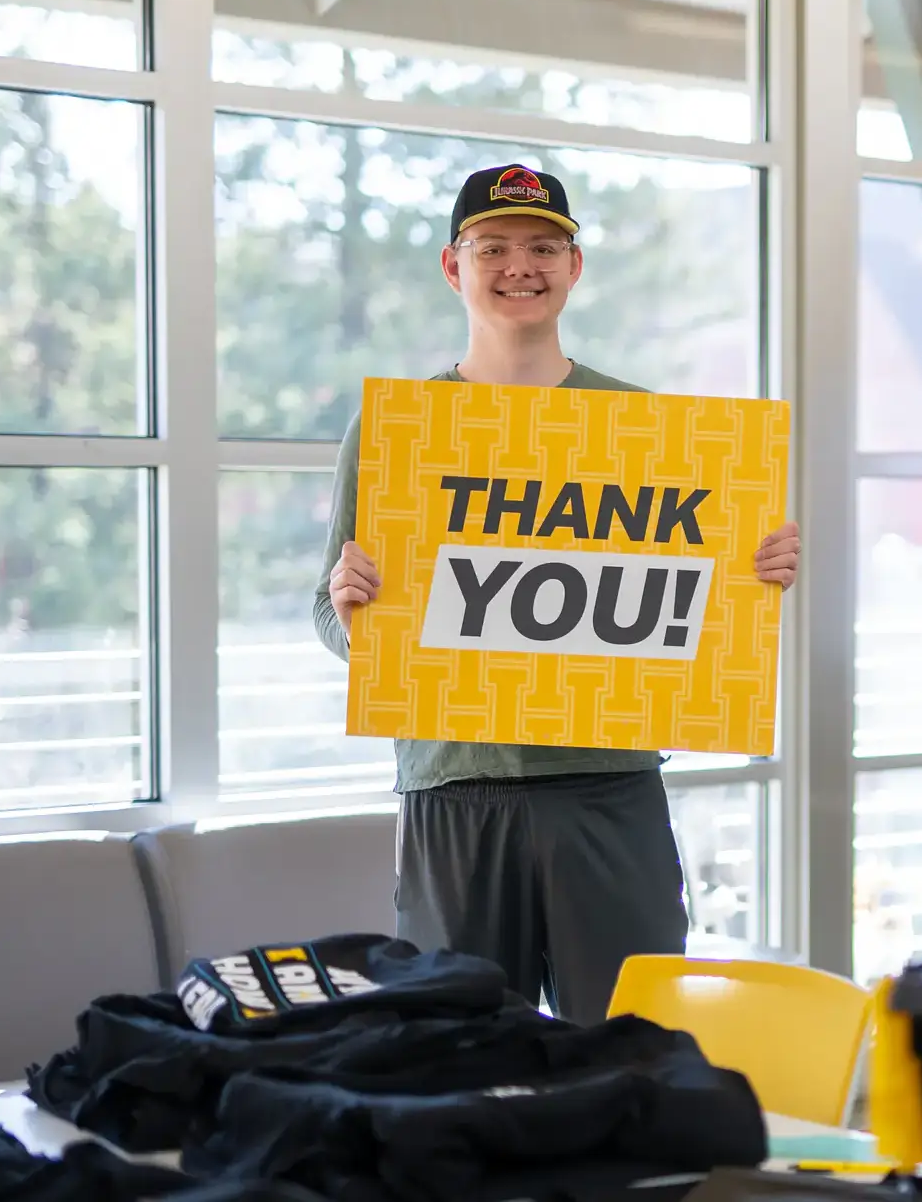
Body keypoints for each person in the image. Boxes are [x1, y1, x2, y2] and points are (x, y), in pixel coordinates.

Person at [312, 164, 800, 1028]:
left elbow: (693, 605)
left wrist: (755, 575)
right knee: (456, 1058)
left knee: (630, 1050)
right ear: (451, 266)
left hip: (609, 787)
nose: (518, 266)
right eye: (491, 246)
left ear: (575, 267)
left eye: (543, 247)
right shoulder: (398, 427)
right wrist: (354, 614)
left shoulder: (646, 424)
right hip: (455, 787)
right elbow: (330, 613)